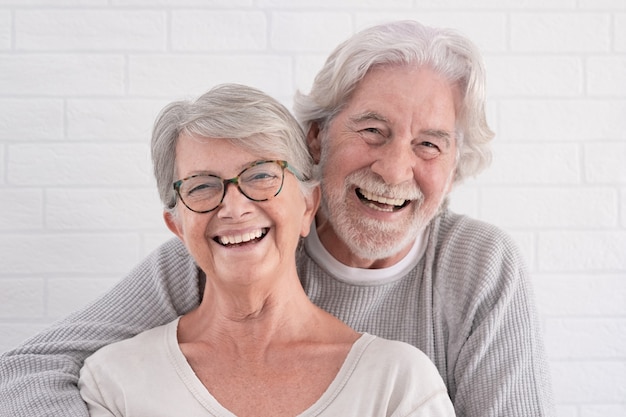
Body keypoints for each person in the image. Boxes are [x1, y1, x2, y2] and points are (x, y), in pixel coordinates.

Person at [0, 20, 554, 417]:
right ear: (317, 138)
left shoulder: (477, 267)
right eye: (372, 131)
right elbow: (24, 373)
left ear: (456, 164)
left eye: (430, 144)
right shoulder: (228, 246)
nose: (394, 169)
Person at [76, 83, 456, 416]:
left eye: (261, 176)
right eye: (201, 186)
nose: (234, 207)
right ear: (177, 226)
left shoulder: (397, 384)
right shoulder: (116, 383)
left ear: (308, 205)